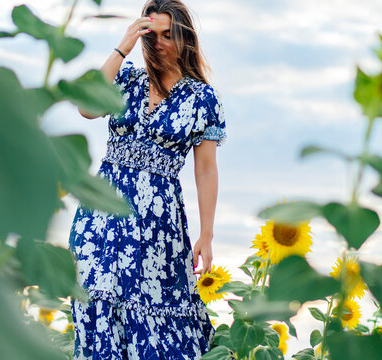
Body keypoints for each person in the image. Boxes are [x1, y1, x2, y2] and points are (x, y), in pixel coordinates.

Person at [68, 0, 226, 358]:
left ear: (185, 37)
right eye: (151, 35)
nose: (160, 43)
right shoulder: (126, 79)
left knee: (155, 319)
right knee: (96, 303)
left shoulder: (203, 99)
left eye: (168, 35)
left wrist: (207, 233)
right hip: (101, 215)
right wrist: (122, 46)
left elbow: (205, 169)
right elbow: (87, 108)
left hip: (157, 223)